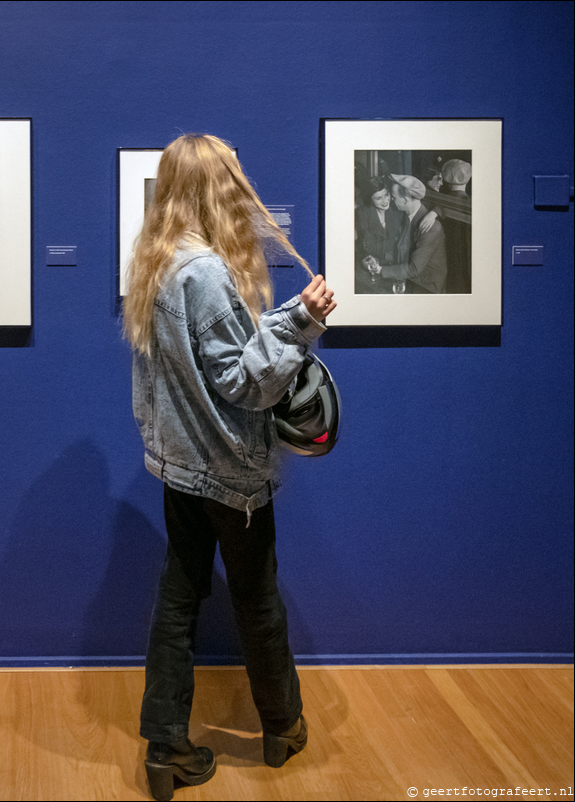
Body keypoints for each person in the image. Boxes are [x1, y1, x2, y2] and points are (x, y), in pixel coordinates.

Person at [123, 134, 333, 798]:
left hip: (178, 465)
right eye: (234, 180)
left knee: (177, 601)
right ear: (215, 188)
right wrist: (301, 320)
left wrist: (272, 326)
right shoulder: (205, 273)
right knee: (258, 600)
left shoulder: (153, 263)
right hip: (231, 474)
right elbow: (248, 385)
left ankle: (164, 750)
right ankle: (282, 728)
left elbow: (207, 367)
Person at [363, 174, 448, 294]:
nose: (391, 200)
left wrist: (380, 270)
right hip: (409, 280)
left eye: (393, 197)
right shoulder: (409, 216)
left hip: (425, 287)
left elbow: (413, 269)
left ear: (405, 200)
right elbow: (401, 250)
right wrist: (376, 261)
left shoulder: (431, 227)